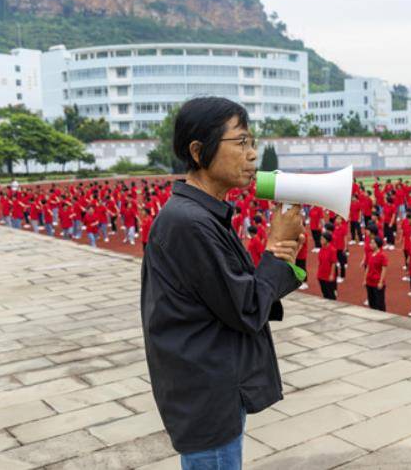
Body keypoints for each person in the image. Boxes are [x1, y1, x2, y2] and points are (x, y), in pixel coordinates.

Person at [141, 97, 305, 469]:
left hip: (209, 386)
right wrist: (276, 252)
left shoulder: (198, 215)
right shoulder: (190, 223)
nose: (252, 155)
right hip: (207, 393)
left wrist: (279, 255)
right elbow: (246, 308)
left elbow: (237, 294)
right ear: (199, 151)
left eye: (252, 142)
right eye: (241, 142)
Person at [365, 236, 388, 311]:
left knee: (380, 304)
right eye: (370, 243)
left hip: (377, 282)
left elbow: (384, 269)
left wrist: (381, 282)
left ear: (377, 244)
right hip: (369, 282)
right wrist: (365, 279)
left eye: (372, 243)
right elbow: (368, 267)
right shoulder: (370, 254)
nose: (370, 245)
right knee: (372, 303)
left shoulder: (382, 256)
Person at [317, 231, 338, 300]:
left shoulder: (332, 250)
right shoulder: (321, 249)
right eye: (320, 239)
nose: (321, 241)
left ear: (327, 239)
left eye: (322, 239)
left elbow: (333, 263)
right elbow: (320, 262)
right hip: (321, 275)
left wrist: (332, 275)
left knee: (331, 295)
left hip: (328, 276)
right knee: (324, 293)